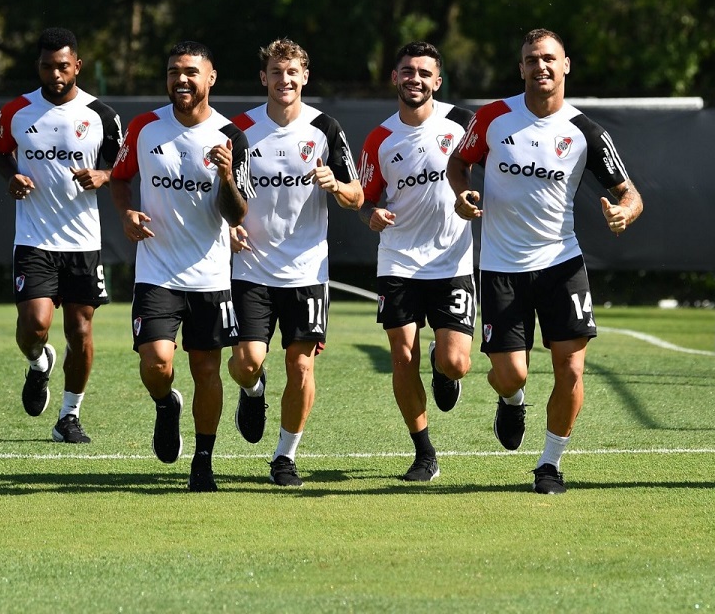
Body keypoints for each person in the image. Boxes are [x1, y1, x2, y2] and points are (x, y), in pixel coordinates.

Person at [448, 28, 643, 495]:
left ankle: (550, 465)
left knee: (571, 370)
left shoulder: (586, 132)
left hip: (562, 264)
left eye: (549, 58)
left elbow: (630, 194)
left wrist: (624, 213)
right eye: (532, 59)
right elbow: (459, 163)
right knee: (510, 372)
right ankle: (512, 399)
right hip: (501, 267)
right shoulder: (494, 118)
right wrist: (462, 195)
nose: (541, 66)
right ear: (521, 69)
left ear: (566, 65)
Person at [109, 41, 251, 492]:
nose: (181, 79)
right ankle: (166, 405)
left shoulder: (231, 135)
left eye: (191, 72)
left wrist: (227, 175)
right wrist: (126, 213)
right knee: (156, 363)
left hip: (210, 274)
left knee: (208, 370)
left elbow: (237, 214)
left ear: (211, 78)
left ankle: (203, 461)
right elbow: (120, 178)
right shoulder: (144, 126)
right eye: (173, 72)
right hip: (156, 271)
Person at [228, 38, 364, 487]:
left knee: (301, 365)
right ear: (263, 77)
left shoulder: (324, 129)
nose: (284, 80)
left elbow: (357, 195)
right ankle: (253, 391)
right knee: (246, 361)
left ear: (304, 77)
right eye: (275, 72)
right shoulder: (240, 130)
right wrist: (229, 226)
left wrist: (335, 185)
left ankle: (284, 457)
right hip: (249, 267)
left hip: (306, 271)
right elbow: (222, 195)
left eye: (292, 73)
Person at [0, 27, 122, 444]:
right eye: (48, 66)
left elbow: (120, 166)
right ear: (39, 67)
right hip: (33, 239)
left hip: (83, 241)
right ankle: (37, 363)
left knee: (80, 332)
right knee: (34, 325)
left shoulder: (100, 115)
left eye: (63, 66)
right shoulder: (16, 111)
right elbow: (0, 154)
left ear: (77, 66)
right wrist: (11, 176)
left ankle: (69, 416)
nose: (56, 74)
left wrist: (102, 175)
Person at [358, 42, 474, 482]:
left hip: (451, 260)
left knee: (456, 361)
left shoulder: (463, 124)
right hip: (398, 260)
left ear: (437, 81)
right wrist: (372, 214)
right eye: (408, 71)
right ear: (395, 77)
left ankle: (444, 366)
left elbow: (491, 168)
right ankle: (424, 452)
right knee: (401, 358)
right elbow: (365, 200)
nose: (415, 79)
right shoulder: (380, 138)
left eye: (425, 73)